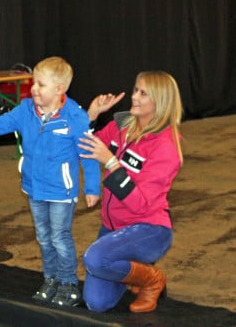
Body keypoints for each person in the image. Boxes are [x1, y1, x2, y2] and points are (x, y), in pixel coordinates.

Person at [0, 57, 100, 307]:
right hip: (34, 188)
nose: (33, 89)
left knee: (59, 237)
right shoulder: (25, 110)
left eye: (40, 85)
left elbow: (89, 154)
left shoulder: (75, 117)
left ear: (59, 89)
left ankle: (68, 284)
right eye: (33, 83)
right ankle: (50, 279)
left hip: (61, 192)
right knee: (43, 237)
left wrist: (92, 187)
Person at [79, 71, 183, 313]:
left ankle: (151, 279)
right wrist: (91, 116)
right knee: (97, 303)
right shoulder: (123, 123)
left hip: (149, 229)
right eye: (136, 90)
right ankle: (135, 270)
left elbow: (139, 204)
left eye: (143, 93)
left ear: (160, 102)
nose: (134, 97)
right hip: (113, 226)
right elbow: (84, 146)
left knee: (94, 260)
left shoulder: (166, 146)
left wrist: (111, 163)